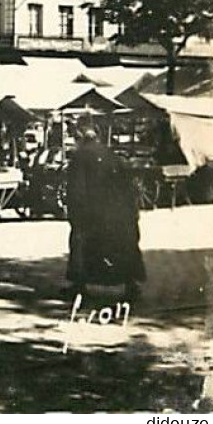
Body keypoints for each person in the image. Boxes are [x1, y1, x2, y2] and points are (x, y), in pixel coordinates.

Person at [66, 124, 146, 299]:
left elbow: (76, 189)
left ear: (80, 137)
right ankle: (130, 283)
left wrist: (74, 213)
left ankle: (79, 285)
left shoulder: (78, 157)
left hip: (91, 212)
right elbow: (127, 183)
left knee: (81, 245)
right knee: (121, 246)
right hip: (116, 211)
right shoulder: (111, 154)